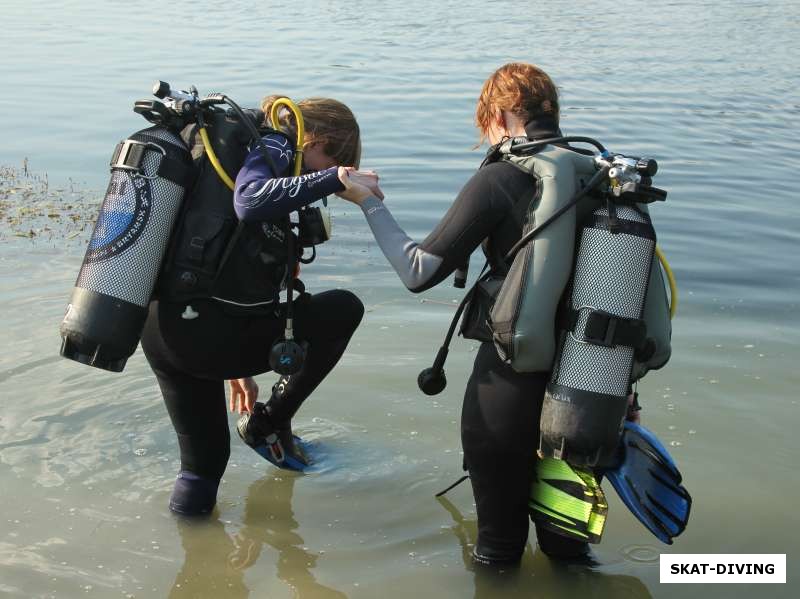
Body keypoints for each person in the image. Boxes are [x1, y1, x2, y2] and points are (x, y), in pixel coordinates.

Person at [335, 63, 643, 564]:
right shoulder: (604, 179)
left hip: (511, 384)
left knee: (497, 553)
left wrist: (368, 203)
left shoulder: (501, 178)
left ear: (497, 115)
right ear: (554, 112)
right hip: (594, 390)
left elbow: (418, 272)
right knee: (570, 556)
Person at [141, 95, 381, 516]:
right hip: (202, 333)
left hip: (163, 328)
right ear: (316, 138)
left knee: (202, 469)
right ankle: (268, 422)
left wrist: (238, 368)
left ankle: (196, 570)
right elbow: (250, 201)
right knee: (343, 308)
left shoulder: (241, 153)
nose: (323, 170)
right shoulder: (279, 146)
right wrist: (336, 179)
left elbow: (225, 265)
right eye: (331, 158)